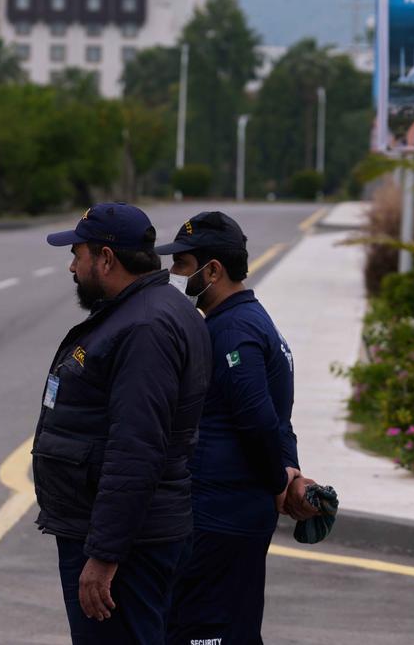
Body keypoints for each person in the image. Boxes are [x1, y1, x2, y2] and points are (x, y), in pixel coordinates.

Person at [35, 202, 212, 645]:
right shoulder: (147, 310)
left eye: (77, 255)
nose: (72, 267)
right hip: (131, 533)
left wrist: (104, 554)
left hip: (128, 546)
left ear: (106, 258)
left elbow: (137, 447)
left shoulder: (144, 327)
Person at [157, 211, 320, 645]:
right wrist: (287, 470)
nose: (174, 274)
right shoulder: (246, 320)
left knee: (202, 630)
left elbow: (259, 419)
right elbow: (277, 421)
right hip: (231, 512)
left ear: (213, 270)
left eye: (182, 265)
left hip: (220, 517)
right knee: (234, 629)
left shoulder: (233, 330)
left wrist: (279, 483)